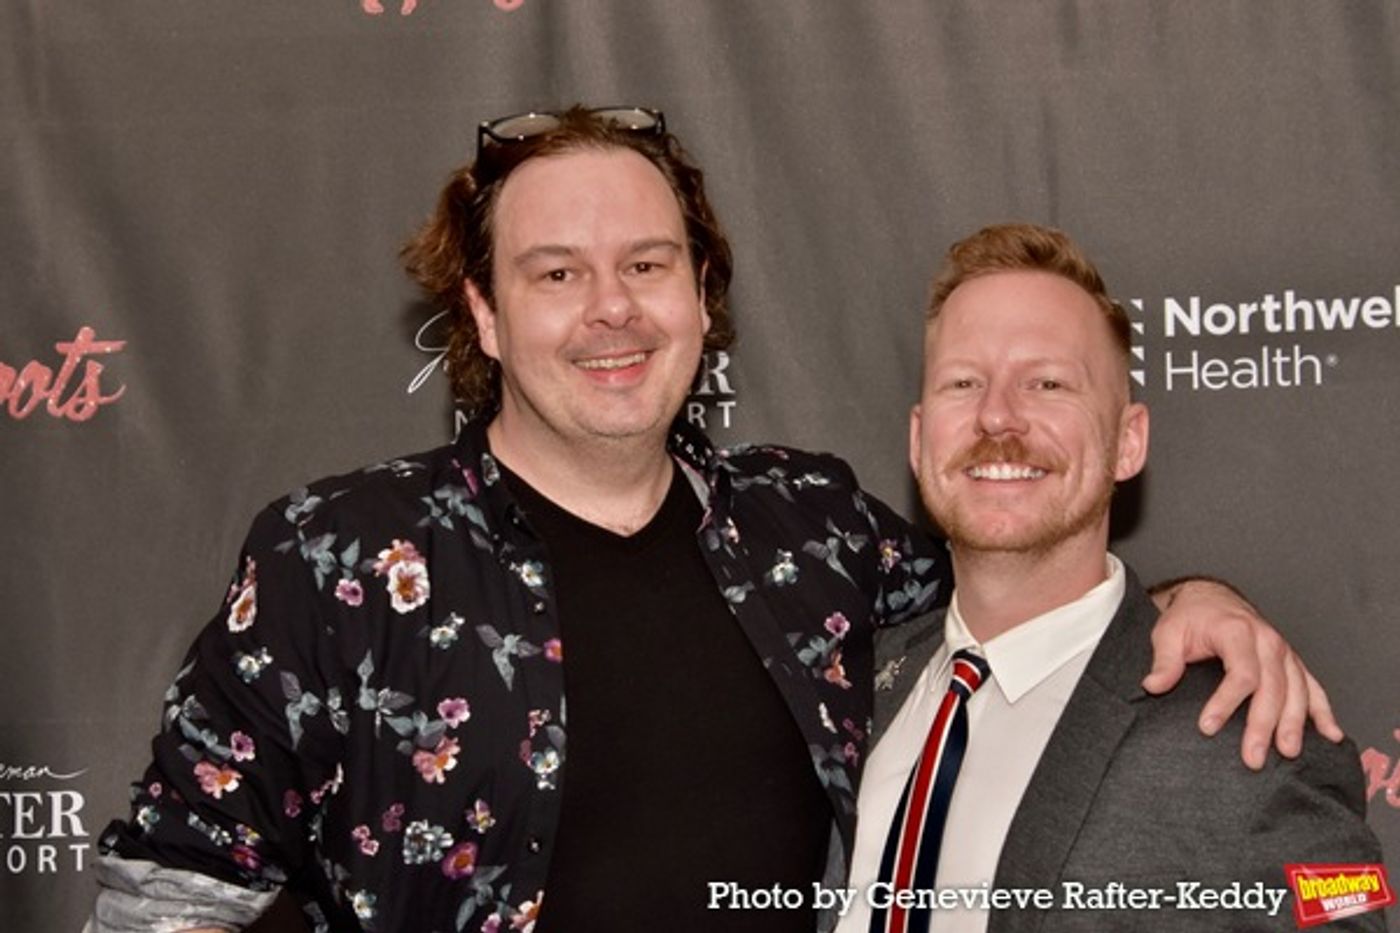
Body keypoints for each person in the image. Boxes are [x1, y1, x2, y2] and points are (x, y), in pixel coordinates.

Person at [89, 109, 1335, 933]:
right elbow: (167, 897)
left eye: (646, 264)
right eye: (556, 273)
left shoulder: (813, 534)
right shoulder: (339, 556)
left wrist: (1191, 601)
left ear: (699, 295)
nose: (611, 309)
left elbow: (1022, 579)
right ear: (482, 315)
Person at [840, 223, 1383, 933]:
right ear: (918, 440)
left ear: (1128, 441)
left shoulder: (1251, 730)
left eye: (1047, 383)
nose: (997, 415)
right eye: (964, 382)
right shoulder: (849, 693)